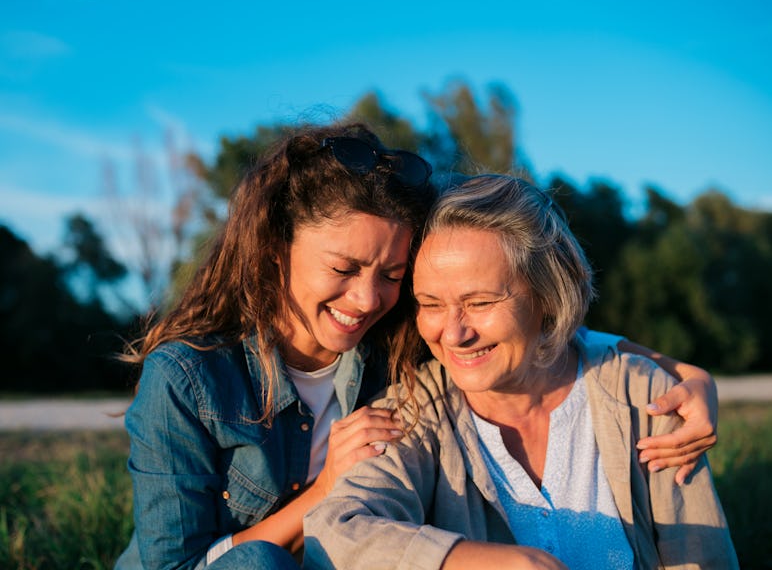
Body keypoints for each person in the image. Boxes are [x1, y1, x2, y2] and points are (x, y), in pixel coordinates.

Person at [114, 123, 717, 569]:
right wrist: (326, 491)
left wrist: (680, 371)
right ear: (276, 252)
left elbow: (533, 325)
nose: (368, 298)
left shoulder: (395, 346)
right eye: (343, 267)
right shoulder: (189, 379)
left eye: (394, 275)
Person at [303, 175, 738, 569]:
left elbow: (703, 559)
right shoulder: (412, 413)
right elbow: (336, 529)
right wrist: (474, 563)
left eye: (480, 302)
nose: (453, 334)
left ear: (549, 296)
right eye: (431, 304)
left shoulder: (645, 396)